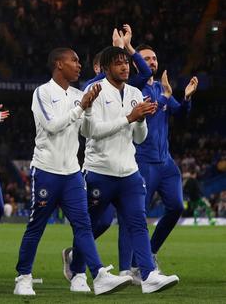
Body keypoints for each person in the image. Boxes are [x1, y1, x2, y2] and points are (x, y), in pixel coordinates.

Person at [13, 48, 132, 296]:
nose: (79, 65)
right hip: (46, 170)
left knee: (84, 225)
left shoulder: (80, 94)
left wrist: (87, 109)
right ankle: (23, 277)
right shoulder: (43, 92)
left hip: (72, 173)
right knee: (37, 226)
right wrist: (81, 108)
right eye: (74, 61)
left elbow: (86, 131)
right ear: (59, 64)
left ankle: (92, 275)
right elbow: (51, 126)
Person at [67, 46, 180, 294]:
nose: (125, 67)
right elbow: (91, 132)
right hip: (99, 171)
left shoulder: (135, 93)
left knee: (138, 223)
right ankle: (77, 271)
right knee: (90, 225)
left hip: (129, 172)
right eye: (119, 63)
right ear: (106, 68)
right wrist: (129, 118)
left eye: (127, 63)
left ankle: (148, 276)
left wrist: (140, 120)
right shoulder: (94, 90)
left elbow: (139, 138)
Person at [106, 45, 198, 280]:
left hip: (166, 163)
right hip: (142, 162)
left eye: (154, 58)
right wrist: (128, 47)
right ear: (137, 63)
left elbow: (180, 115)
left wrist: (186, 98)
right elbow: (149, 113)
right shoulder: (133, 88)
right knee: (135, 215)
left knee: (176, 207)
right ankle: (130, 268)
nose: (152, 62)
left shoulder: (160, 88)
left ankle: (150, 253)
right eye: (147, 58)